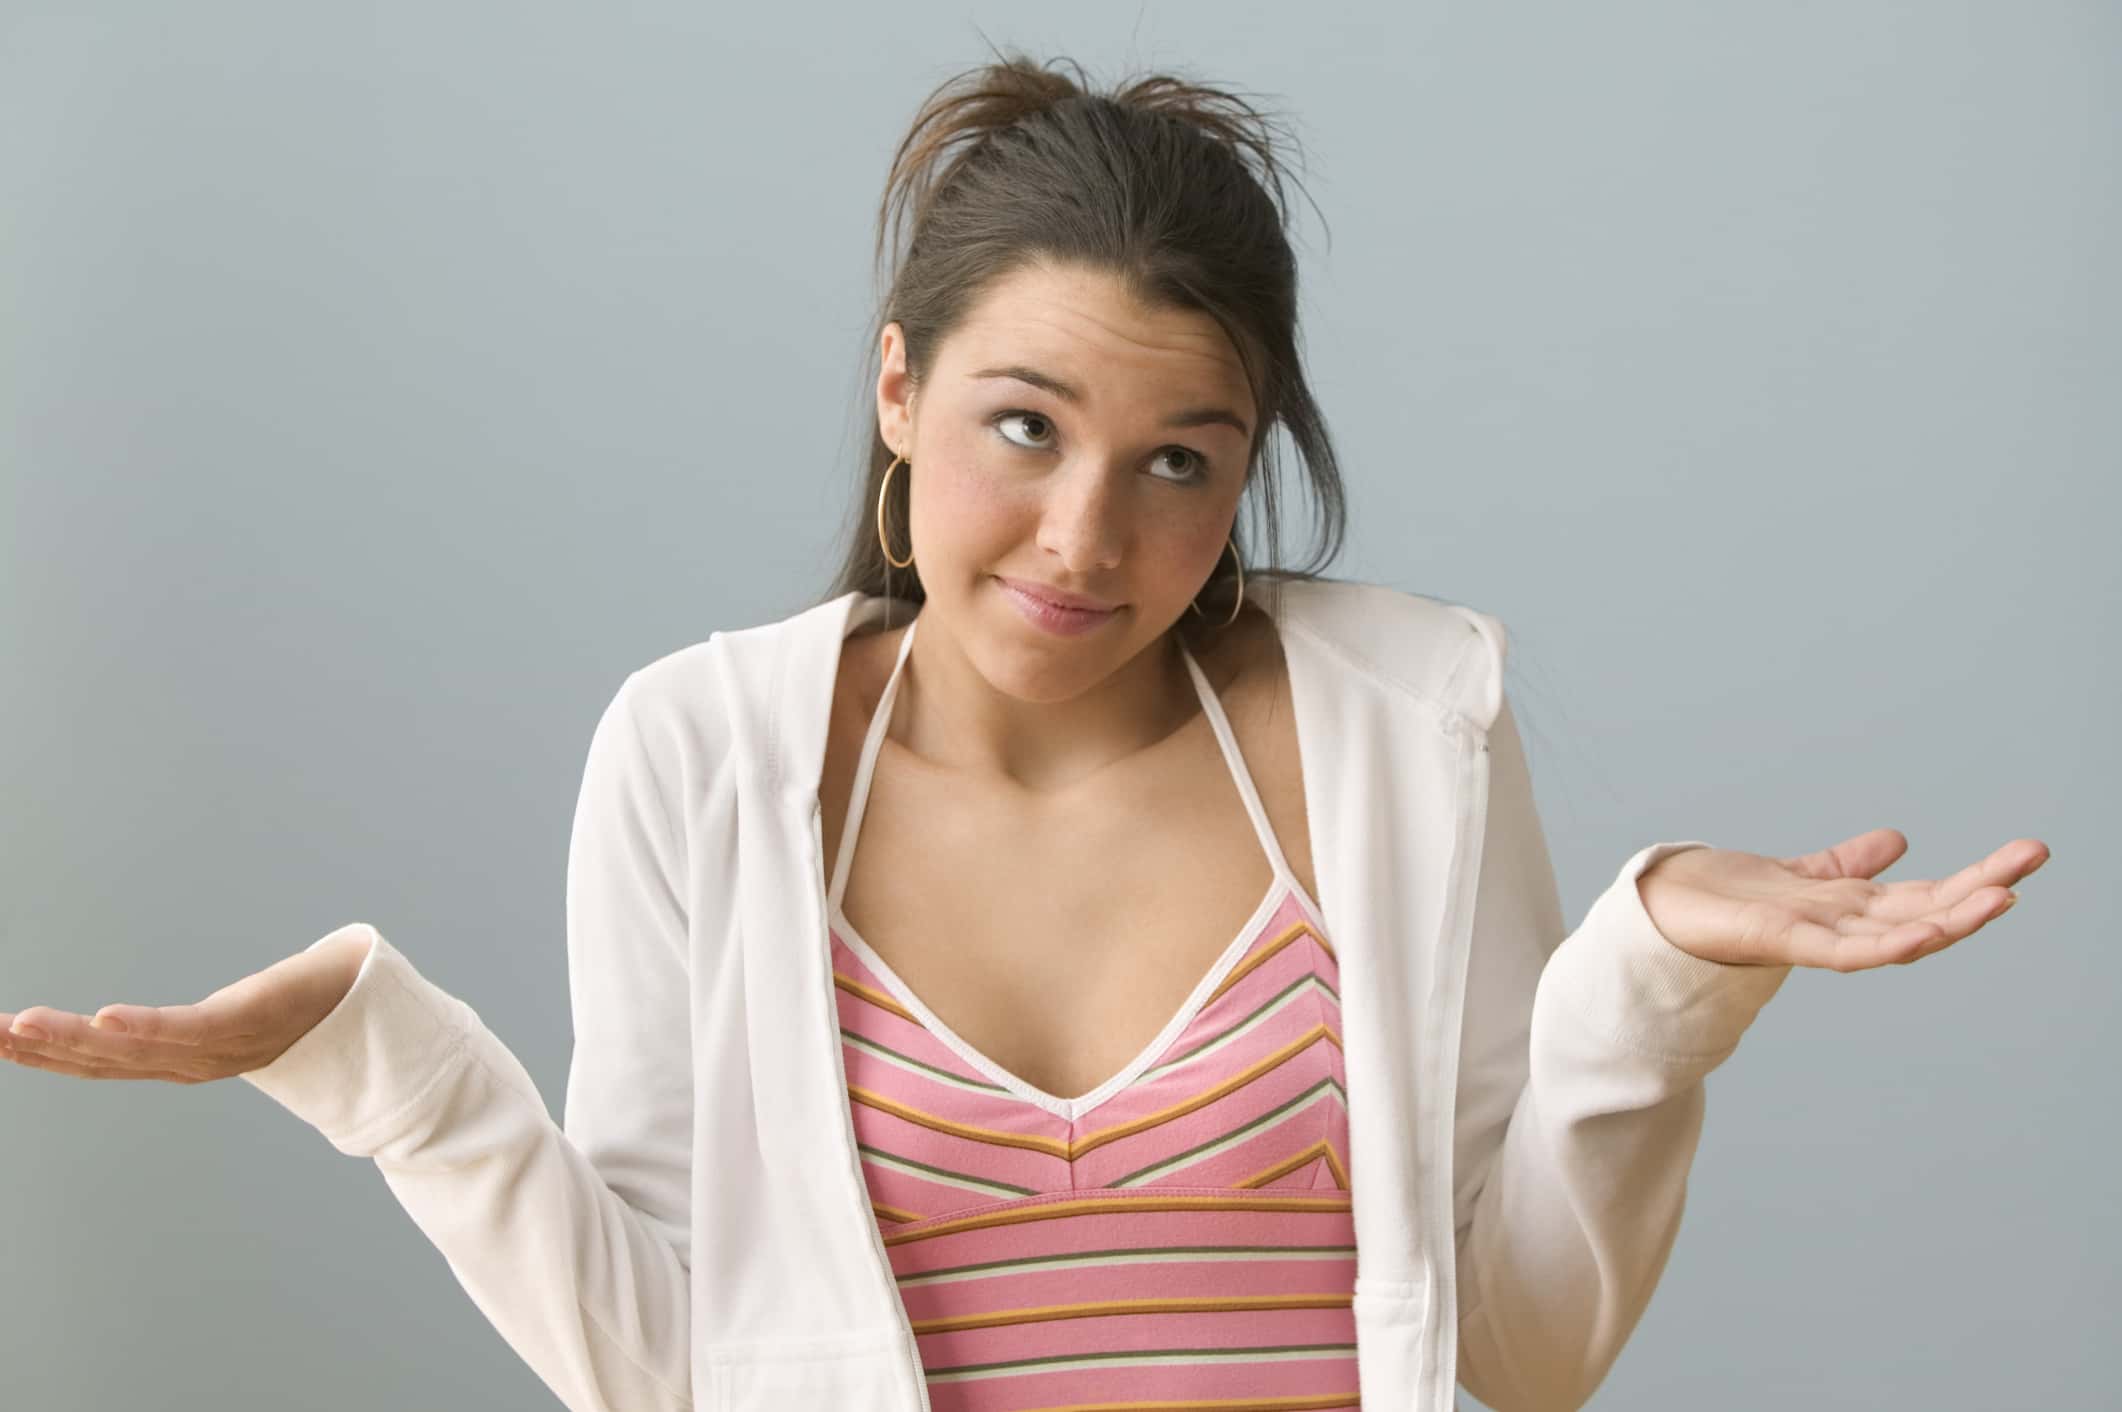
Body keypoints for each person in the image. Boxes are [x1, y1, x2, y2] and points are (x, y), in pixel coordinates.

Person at [2, 48, 2046, 1412]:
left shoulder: (1400, 730)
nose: (1086, 537)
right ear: (896, 388)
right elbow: (681, 1364)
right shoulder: (703, 759)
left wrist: (1653, 963)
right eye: (1020, 428)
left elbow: (1510, 1349)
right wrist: (385, 1067)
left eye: (1178, 460)